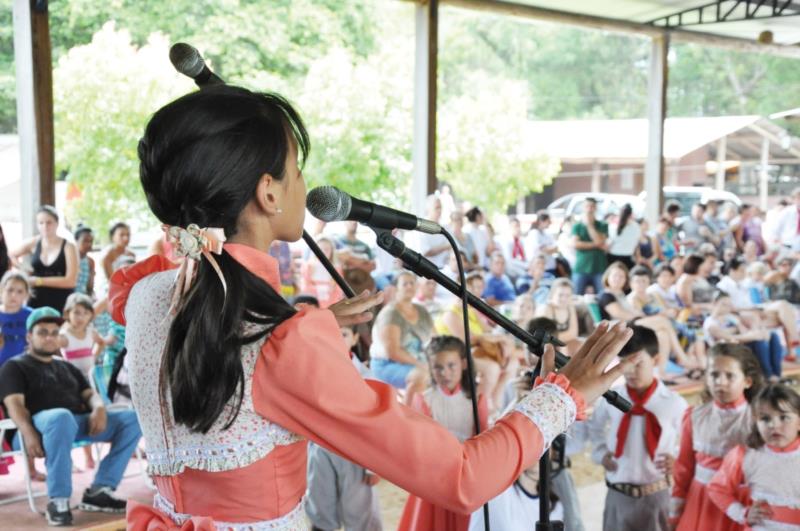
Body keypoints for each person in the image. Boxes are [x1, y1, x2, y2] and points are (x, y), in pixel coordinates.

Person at [112, 85, 637, 529]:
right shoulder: (281, 345)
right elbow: (461, 475)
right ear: (268, 193)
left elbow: (220, 320)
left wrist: (303, 327)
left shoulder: (146, 295)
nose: (304, 185)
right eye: (297, 168)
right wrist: (563, 397)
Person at [0, 307, 142, 526]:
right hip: (31, 430)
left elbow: (90, 395)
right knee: (60, 416)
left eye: (55, 332)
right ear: (29, 336)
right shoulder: (14, 366)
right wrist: (28, 433)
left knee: (132, 419)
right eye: (42, 332)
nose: (49, 337)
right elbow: (15, 405)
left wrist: (99, 409)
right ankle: (59, 500)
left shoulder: (66, 367)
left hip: (74, 424)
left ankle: (100, 490)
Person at [588, 326, 687, 531]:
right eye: (624, 364)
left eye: (637, 363)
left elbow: (689, 441)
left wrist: (677, 459)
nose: (630, 371)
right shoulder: (610, 397)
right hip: (618, 493)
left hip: (657, 494)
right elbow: (594, 427)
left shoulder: (673, 403)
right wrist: (600, 454)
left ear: (657, 360)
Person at [398, 336, 489, 531]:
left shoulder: (477, 398)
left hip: (467, 476)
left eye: (451, 365)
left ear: (464, 363)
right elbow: (420, 442)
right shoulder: (424, 399)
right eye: (438, 367)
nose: (445, 373)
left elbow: (482, 440)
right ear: (430, 367)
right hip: (435, 476)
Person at [671, 343, 765, 531]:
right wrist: (675, 508)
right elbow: (684, 466)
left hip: (740, 501)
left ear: (747, 381)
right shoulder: (695, 416)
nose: (720, 382)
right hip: (701, 499)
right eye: (714, 374)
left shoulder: (759, 420)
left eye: (730, 376)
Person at [306, 325, 383, 531]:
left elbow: (376, 423)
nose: (338, 339)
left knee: (360, 513)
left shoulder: (368, 376)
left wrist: (373, 464)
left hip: (356, 454)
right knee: (321, 508)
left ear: (355, 338)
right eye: (333, 333)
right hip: (321, 448)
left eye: (344, 333)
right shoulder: (313, 368)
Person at [707, 384, 800, 529]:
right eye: (765, 419)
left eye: (784, 417)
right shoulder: (746, 455)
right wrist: (742, 513)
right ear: (756, 422)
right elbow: (717, 488)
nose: (774, 425)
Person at [598, 262, 695, 373]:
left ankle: (661, 373)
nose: (618, 279)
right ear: (607, 277)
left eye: (621, 276)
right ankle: (682, 358)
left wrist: (641, 315)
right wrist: (642, 315)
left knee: (663, 334)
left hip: (631, 325)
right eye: (615, 275)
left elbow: (633, 312)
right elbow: (620, 314)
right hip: (619, 328)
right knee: (663, 321)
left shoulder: (620, 294)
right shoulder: (606, 295)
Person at [370, 271, 433, 403]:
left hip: (416, 360)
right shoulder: (391, 313)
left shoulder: (421, 310)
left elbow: (435, 338)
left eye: (412, 283)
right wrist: (422, 365)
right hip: (387, 364)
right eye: (405, 284)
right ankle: (408, 416)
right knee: (422, 376)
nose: (409, 286)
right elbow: (393, 352)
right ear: (396, 288)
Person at [10, 205, 78, 313]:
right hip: (36, 299)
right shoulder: (34, 242)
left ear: (57, 223)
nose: (45, 226)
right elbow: (10, 255)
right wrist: (22, 269)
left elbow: (71, 281)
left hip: (61, 300)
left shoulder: (69, 246)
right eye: (41, 223)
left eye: (49, 222)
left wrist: (38, 281)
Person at [703, 292, 783, 382]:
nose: (726, 307)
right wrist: (753, 336)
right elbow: (728, 338)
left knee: (773, 336)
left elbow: (743, 332)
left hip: (739, 344)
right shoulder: (710, 323)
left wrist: (742, 329)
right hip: (724, 349)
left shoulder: (730, 318)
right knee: (759, 343)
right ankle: (768, 375)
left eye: (729, 305)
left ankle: (777, 374)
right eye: (723, 304)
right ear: (715, 303)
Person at [571, 197, 608, 295]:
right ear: (583, 207)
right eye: (587, 206)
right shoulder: (577, 226)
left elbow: (601, 241)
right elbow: (575, 244)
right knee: (576, 295)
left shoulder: (602, 225)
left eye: (592, 206)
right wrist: (596, 244)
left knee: (602, 296)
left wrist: (589, 226)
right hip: (581, 267)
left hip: (599, 267)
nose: (590, 209)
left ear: (596, 208)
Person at [535, 278, 581, 356]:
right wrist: (561, 341)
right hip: (543, 345)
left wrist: (557, 338)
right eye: (560, 295)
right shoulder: (546, 308)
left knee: (580, 344)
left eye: (567, 295)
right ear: (553, 294)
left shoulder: (570, 307)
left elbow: (574, 333)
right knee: (564, 349)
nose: (564, 299)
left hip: (560, 344)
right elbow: (545, 337)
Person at [299, 235, 345, 308]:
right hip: (313, 304)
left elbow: (339, 289)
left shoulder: (336, 268)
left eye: (326, 249)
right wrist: (322, 289)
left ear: (332, 251)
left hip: (332, 304)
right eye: (320, 249)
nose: (323, 252)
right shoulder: (308, 266)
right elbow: (305, 287)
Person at [0, 271, 33, 367]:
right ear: (1, 291)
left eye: (20, 291)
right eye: (10, 290)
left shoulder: (31, 315)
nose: (14, 295)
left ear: (26, 295)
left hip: (23, 368)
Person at [607, 203, 641, 270]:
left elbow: (609, 243)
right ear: (631, 214)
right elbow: (636, 244)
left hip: (613, 257)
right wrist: (638, 259)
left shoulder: (613, 225)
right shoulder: (636, 226)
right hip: (628, 257)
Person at [73, 225, 96, 298]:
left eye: (91, 241)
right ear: (76, 241)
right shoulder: (69, 258)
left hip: (83, 298)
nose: (89, 244)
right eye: (85, 241)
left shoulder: (90, 261)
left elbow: (90, 287)